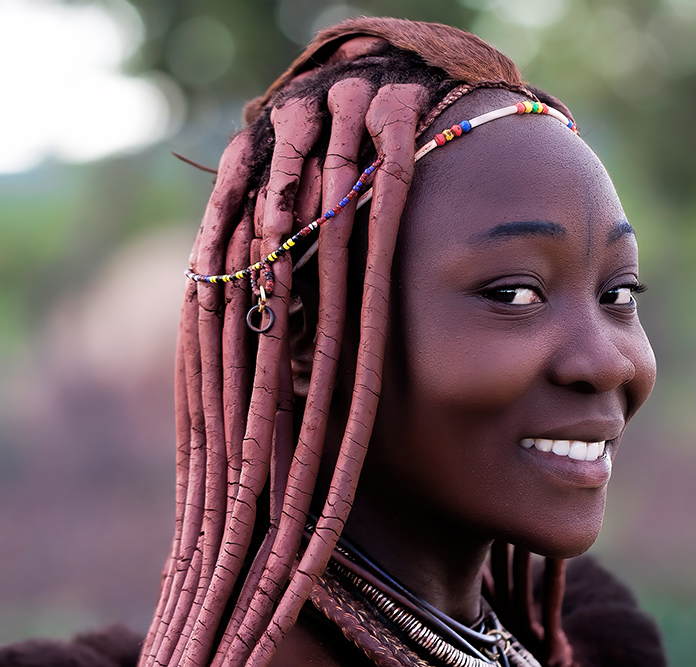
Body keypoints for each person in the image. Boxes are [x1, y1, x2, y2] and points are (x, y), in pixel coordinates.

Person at [0, 17, 662, 667]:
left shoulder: (571, 641)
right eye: (515, 293)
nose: (606, 360)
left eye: (618, 293)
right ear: (297, 340)